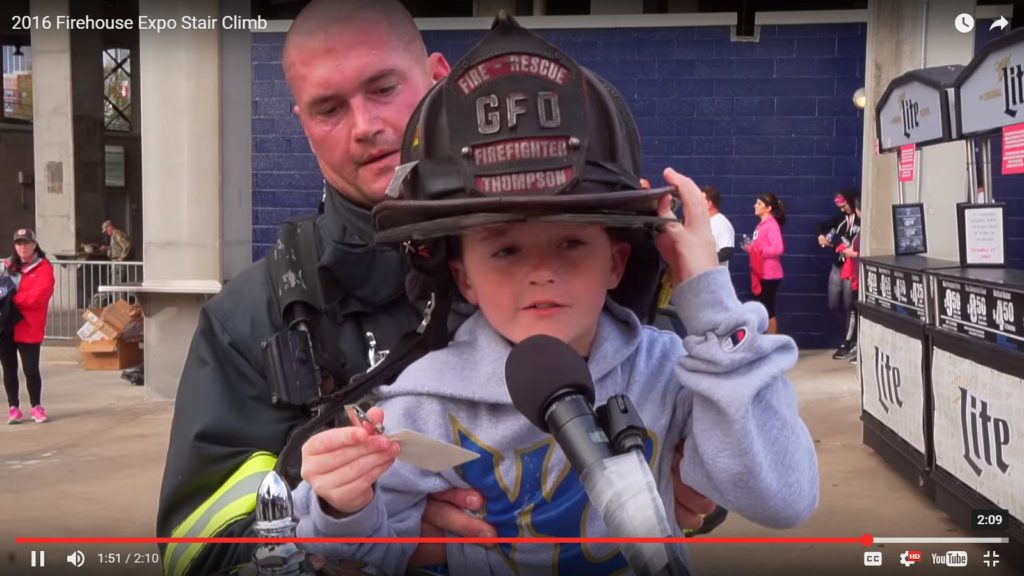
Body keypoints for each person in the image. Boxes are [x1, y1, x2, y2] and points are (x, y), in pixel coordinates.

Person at [155, 3, 716, 575]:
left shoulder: (597, 240)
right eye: (329, 107)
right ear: (301, 121)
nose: (363, 125)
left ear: (439, 77)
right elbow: (193, 550)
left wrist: (692, 478)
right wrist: (364, 528)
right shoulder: (252, 316)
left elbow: (691, 430)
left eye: (382, 88)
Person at [291, 16, 818, 575]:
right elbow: (363, 553)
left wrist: (712, 306)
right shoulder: (422, 409)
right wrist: (339, 504)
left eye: (571, 242)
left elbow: (783, 498)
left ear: (616, 262)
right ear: (463, 277)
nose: (541, 271)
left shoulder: (670, 375)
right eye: (505, 250)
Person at [1, 229, 55, 424]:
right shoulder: (6, 266)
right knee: (8, 369)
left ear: (34, 245)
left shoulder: (44, 268)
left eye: (26, 242)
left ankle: (36, 407)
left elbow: (39, 297)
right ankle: (13, 408)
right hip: (6, 326)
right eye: (19, 243)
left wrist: (11, 300)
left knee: (31, 369)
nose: (22, 246)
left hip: (29, 325)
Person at [817, 188, 860, 359]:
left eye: (844, 206)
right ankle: (851, 335)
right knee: (833, 304)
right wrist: (821, 236)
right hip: (838, 265)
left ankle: (849, 342)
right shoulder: (840, 219)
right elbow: (821, 225)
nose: (842, 209)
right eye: (840, 207)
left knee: (850, 306)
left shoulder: (860, 219)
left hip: (852, 267)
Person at [743, 194, 786, 335]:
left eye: (759, 204)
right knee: (763, 308)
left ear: (768, 208)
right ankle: (767, 341)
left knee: (768, 309)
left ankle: (772, 343)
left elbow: (778, 249)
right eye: (756, 203)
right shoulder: (761, 225)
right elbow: (759, 247)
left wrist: (758, 251)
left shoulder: (771, 225)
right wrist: (750, 248)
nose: (755, 206)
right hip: (761, 272)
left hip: (770, 275)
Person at [840, 198, 862, 364]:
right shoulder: (858, 233)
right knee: (854, 311)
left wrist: (851, 253)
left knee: (857, 313)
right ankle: (856, 346)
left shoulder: (865, 232)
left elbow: (867, 253)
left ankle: (856, 347)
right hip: (856, 276)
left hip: (861, 279)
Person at [702, 186, 736, 270]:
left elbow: (727, 253)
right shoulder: (703, 222)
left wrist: (703, 260)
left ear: (708, 204)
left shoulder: (722, 224)